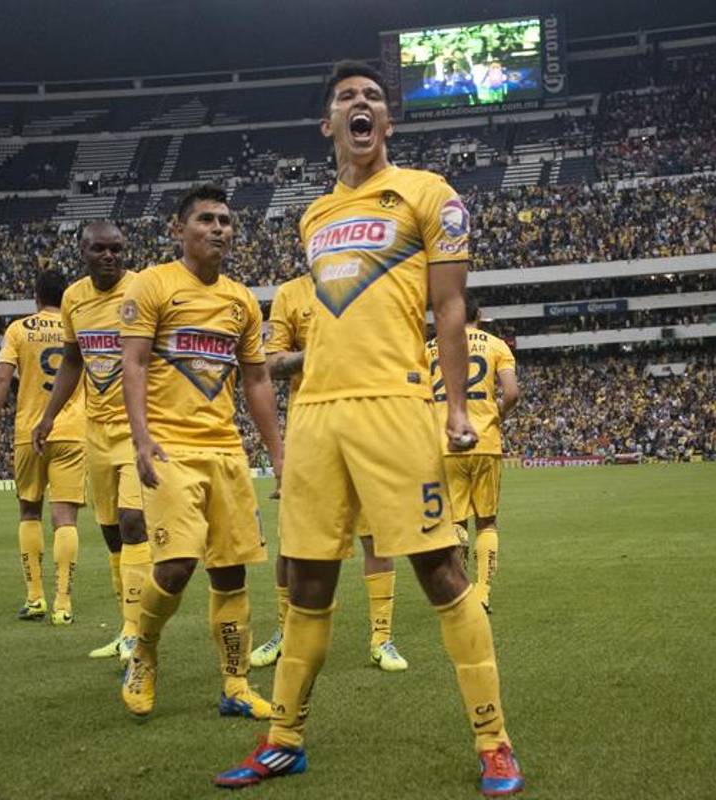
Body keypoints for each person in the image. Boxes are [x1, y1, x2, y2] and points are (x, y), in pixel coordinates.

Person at [216, 61, 524, 797]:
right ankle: (285, 739)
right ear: (328, 125)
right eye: (347, 98)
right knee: (307, 582)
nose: (362, 105)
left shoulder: (430, 194)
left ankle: (494, 741)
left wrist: (455, 405)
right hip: (318, 414)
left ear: (388, 123)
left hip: (394, 404)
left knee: (441, 573)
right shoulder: (313, 215)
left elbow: (449, 308)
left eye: (374, 98)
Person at [118, 183, 284, 721]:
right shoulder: (153, 286)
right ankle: (143, 648)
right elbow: (135, 364)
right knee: (176, 566)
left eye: (226, 221)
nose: (219, 229)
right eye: (206, 220)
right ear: (178, 230)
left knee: (232, 573)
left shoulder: (239, 301)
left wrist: (278, 454)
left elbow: (257, 380)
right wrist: (141, 438)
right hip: (170, 450)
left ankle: (235, 685)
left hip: (225, 451)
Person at [250, 271, 409, 673]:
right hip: (312, 432)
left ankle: (381, 638)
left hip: (369, 428)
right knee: (293, 544)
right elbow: (270, 364)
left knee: (378, 539)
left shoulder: (373, 286)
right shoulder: (290, 293)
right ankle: (285, 632)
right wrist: (317, 352)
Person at [34, 221, 152, 662]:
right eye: (100, 249)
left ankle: (136, 632)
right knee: (110, 533)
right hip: (95, 433)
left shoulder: (144, 288)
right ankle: (127, 627)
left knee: (132, 520)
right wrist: (48, 416)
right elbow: (72, 360)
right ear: (83, 252)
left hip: (137, 429)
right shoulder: (73, 299)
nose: (110, 256)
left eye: (117, 249)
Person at [0, 270, 86, 625]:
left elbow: (2, 378)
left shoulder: (19, 330)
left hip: (30, 430)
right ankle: (63, 603)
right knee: (65, 518)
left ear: (36, 296)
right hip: (72, 430)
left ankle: (35, 598)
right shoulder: (79, 327)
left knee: (29, 511)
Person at [425, 291, 519, 613]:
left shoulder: (431, 348)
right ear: (479, 316)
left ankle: (459, 590)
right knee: (487, 522)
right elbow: (512, 393)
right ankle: (483, 592)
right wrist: (497, 415)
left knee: (456, 521)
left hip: (446, 441)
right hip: (485, 441)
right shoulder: (497, 346)